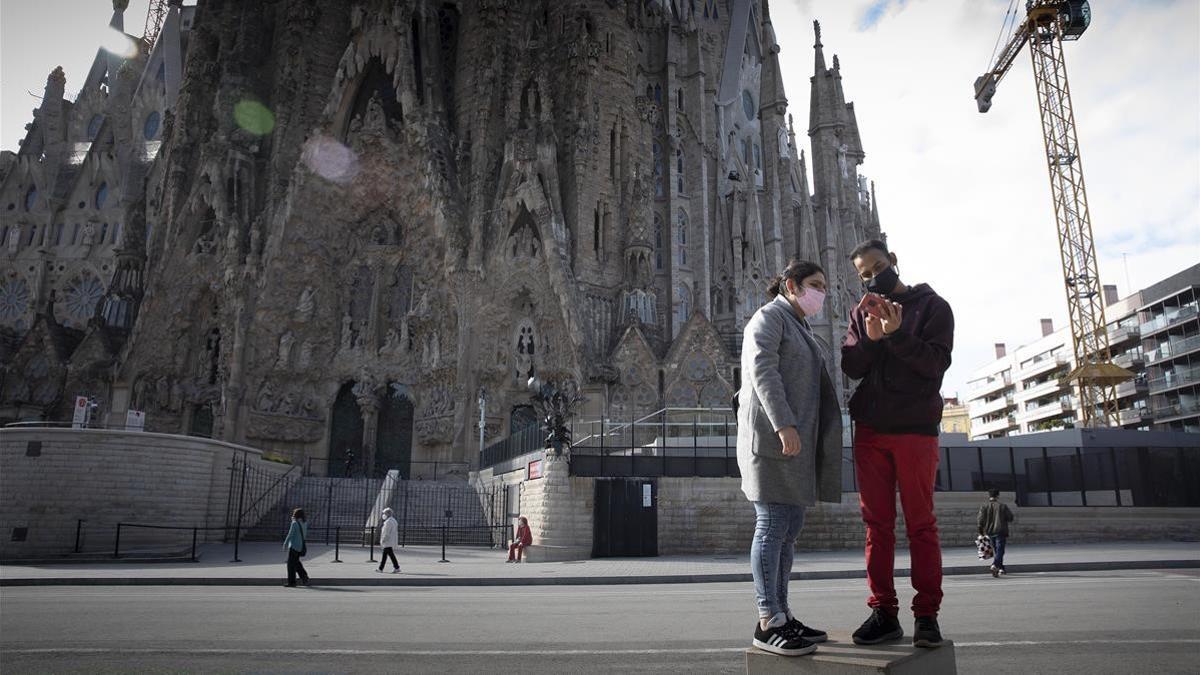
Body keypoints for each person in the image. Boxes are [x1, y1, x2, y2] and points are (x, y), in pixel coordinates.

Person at [841, 239, 954, 649]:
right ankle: (883, 612)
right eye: (864, 274)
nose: (873, 277)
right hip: (871, 431)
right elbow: (851, 367)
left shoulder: (933, 306)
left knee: (921, 525)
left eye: (877, 267)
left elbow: (934, 366)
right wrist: (871, 339)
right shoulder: (861, 311)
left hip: (914, 429)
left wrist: (896, 334)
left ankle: (926, 615)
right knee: (877, 526)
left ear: (893, 261)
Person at [735, 260, 843, 657]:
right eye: (815, 284)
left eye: (825, 286)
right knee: (772, 524)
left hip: (792, 446)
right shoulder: (769, 317)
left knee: (788, 527)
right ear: (792, 285)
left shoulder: (799, 325)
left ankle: (782, 613)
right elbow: (763, 369)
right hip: (772, 442)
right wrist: (783, 424)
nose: (822, 293)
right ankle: (768, 621)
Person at [978, 488, 1014, 577]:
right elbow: (1010, 517)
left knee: (996, 550)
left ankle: (1001, 568)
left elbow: (980, 520)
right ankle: (995, 565)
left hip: (989, 532)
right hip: (1000, 531)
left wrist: (981, 532)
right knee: (1000, 550)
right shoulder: (1002, 506)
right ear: (998, 495)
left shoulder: (984, 506)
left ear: (989, 496)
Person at [284, 508, 310, 587]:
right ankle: (304, 576)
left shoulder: (294, 523)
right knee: (296, 562)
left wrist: (285, 544)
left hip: (294, 546)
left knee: (291, 565)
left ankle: (292, 582)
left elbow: (290, 534)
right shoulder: (304, 523)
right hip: (300, 546)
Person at [377, 507, 400, 573]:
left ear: (387, 514)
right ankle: (382, 568)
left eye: (384, 513)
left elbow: (386, 533)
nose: (383, 515)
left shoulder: (388, 522)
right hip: (391, 541)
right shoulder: (393, 520)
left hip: (388, 541)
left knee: (388, 555)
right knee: (388, 555)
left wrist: (383, 540)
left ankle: (382, 568)